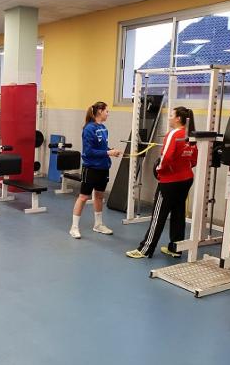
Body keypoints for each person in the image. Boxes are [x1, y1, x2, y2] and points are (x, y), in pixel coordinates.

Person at [126, 106, 198, 259]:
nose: (170, 117)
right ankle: (175, 248)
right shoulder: (191, 135)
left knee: (158, 215)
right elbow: (194, 159)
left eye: (171, 115)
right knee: (178, 214)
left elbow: (166, 157)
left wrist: (159, 170)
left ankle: (145, 250)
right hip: (186, 179)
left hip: (169, 182)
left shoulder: (174, 134)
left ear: (178, 118)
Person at [69, 101, 122, 239]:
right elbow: (89, 151)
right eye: (106, 111)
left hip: (103, 168)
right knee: (83, 197)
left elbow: (102, 148)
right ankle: (74, 227)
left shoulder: (104, 128)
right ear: (99, 111)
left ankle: (98, 225)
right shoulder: (88, 129)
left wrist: (111, 151)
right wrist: (108, 153)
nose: (108, 113)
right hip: (91, 168)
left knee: (99, 196)